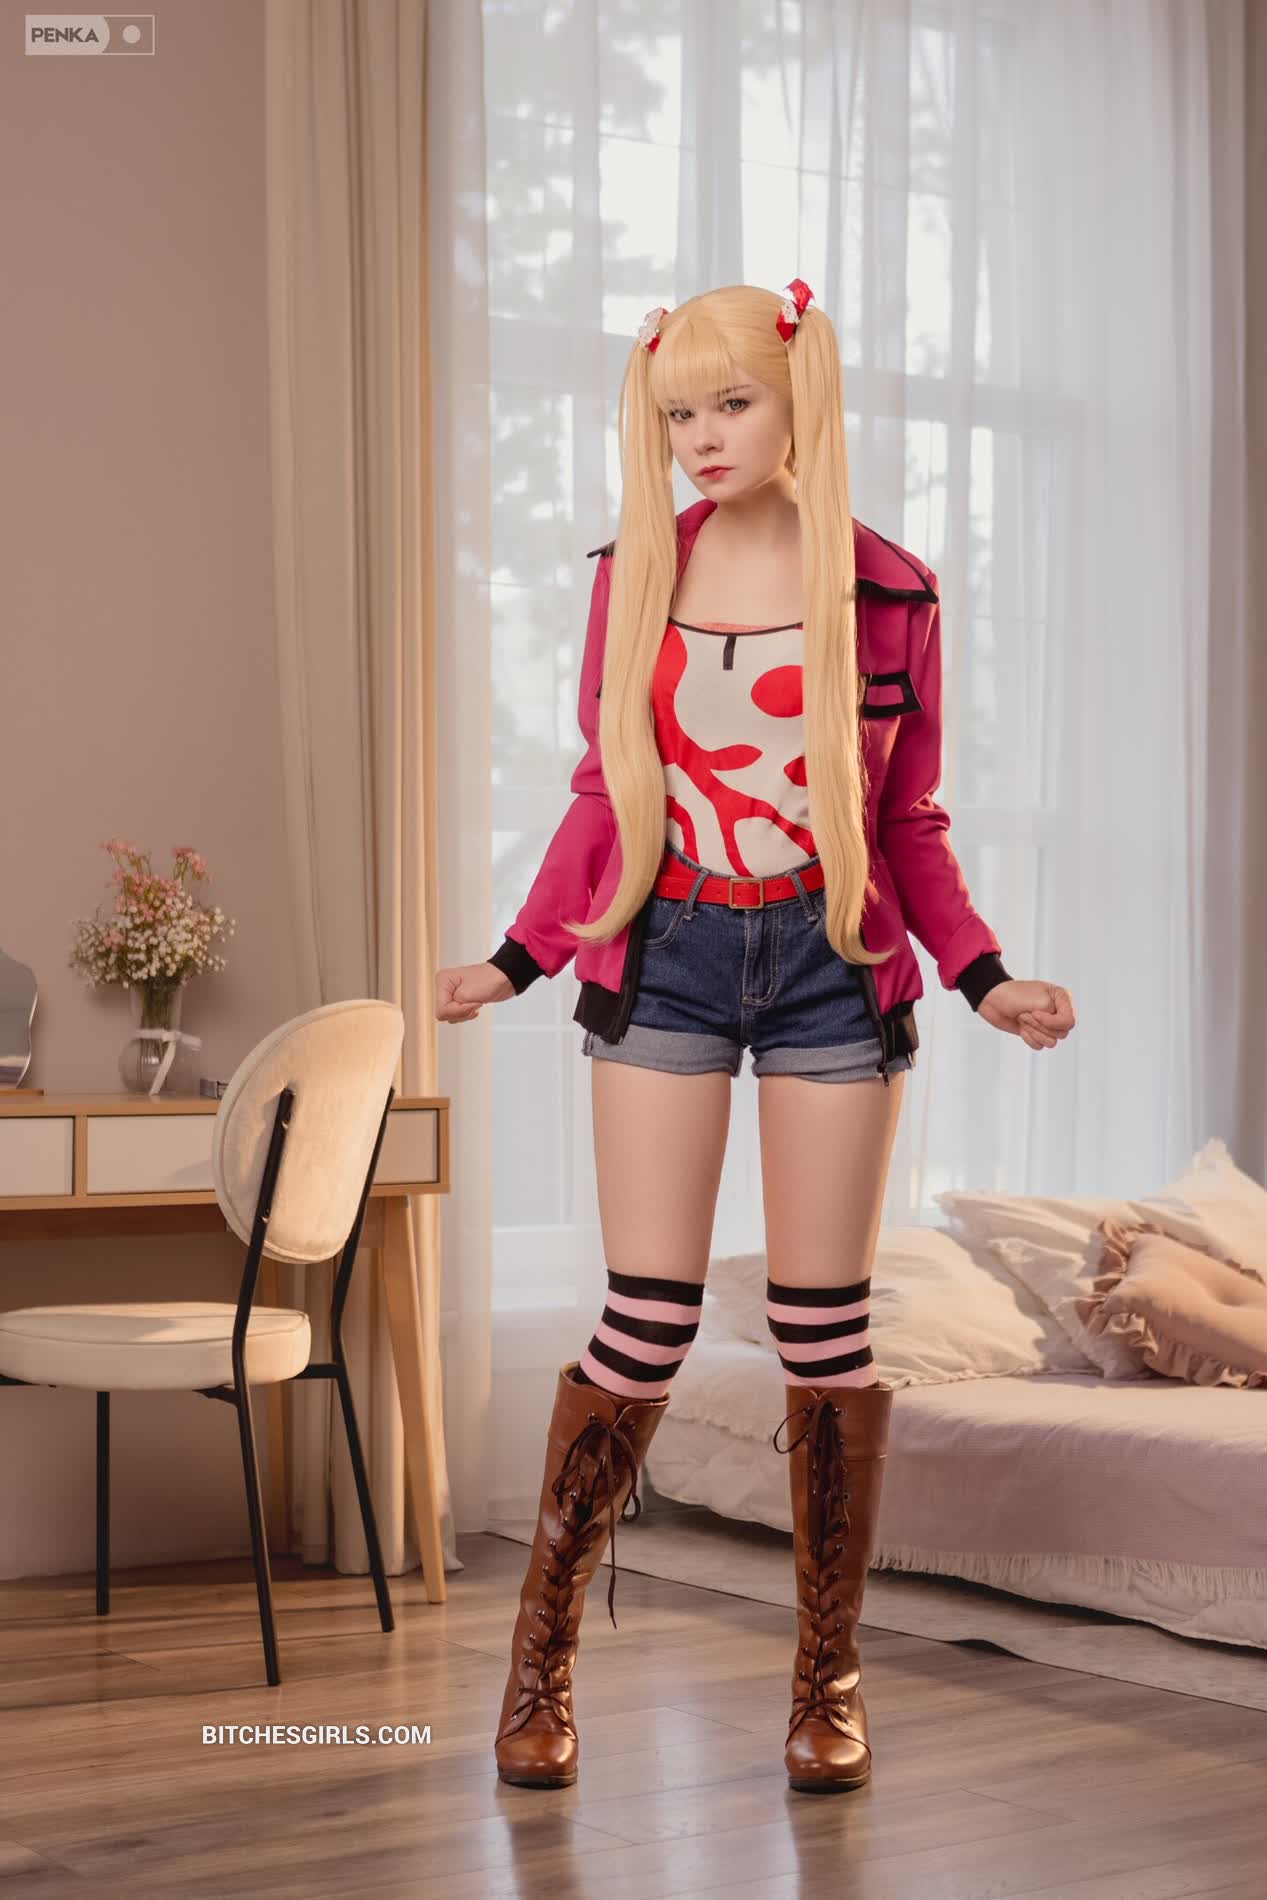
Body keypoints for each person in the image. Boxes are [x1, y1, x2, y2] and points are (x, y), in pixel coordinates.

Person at [435, 280, 1076, 1795]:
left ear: (803, 402)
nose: (705, 438)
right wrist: (521, 957)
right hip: (664, 953)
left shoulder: (893, 592)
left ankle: (827, 1684)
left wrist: (983, 975)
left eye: (733, 404)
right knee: (644, 1320)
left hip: (833, 963)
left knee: (823, 1329)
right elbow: (602, 794)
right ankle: (540, 1667)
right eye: (680, 413)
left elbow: (908, 817)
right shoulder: (634, 574)